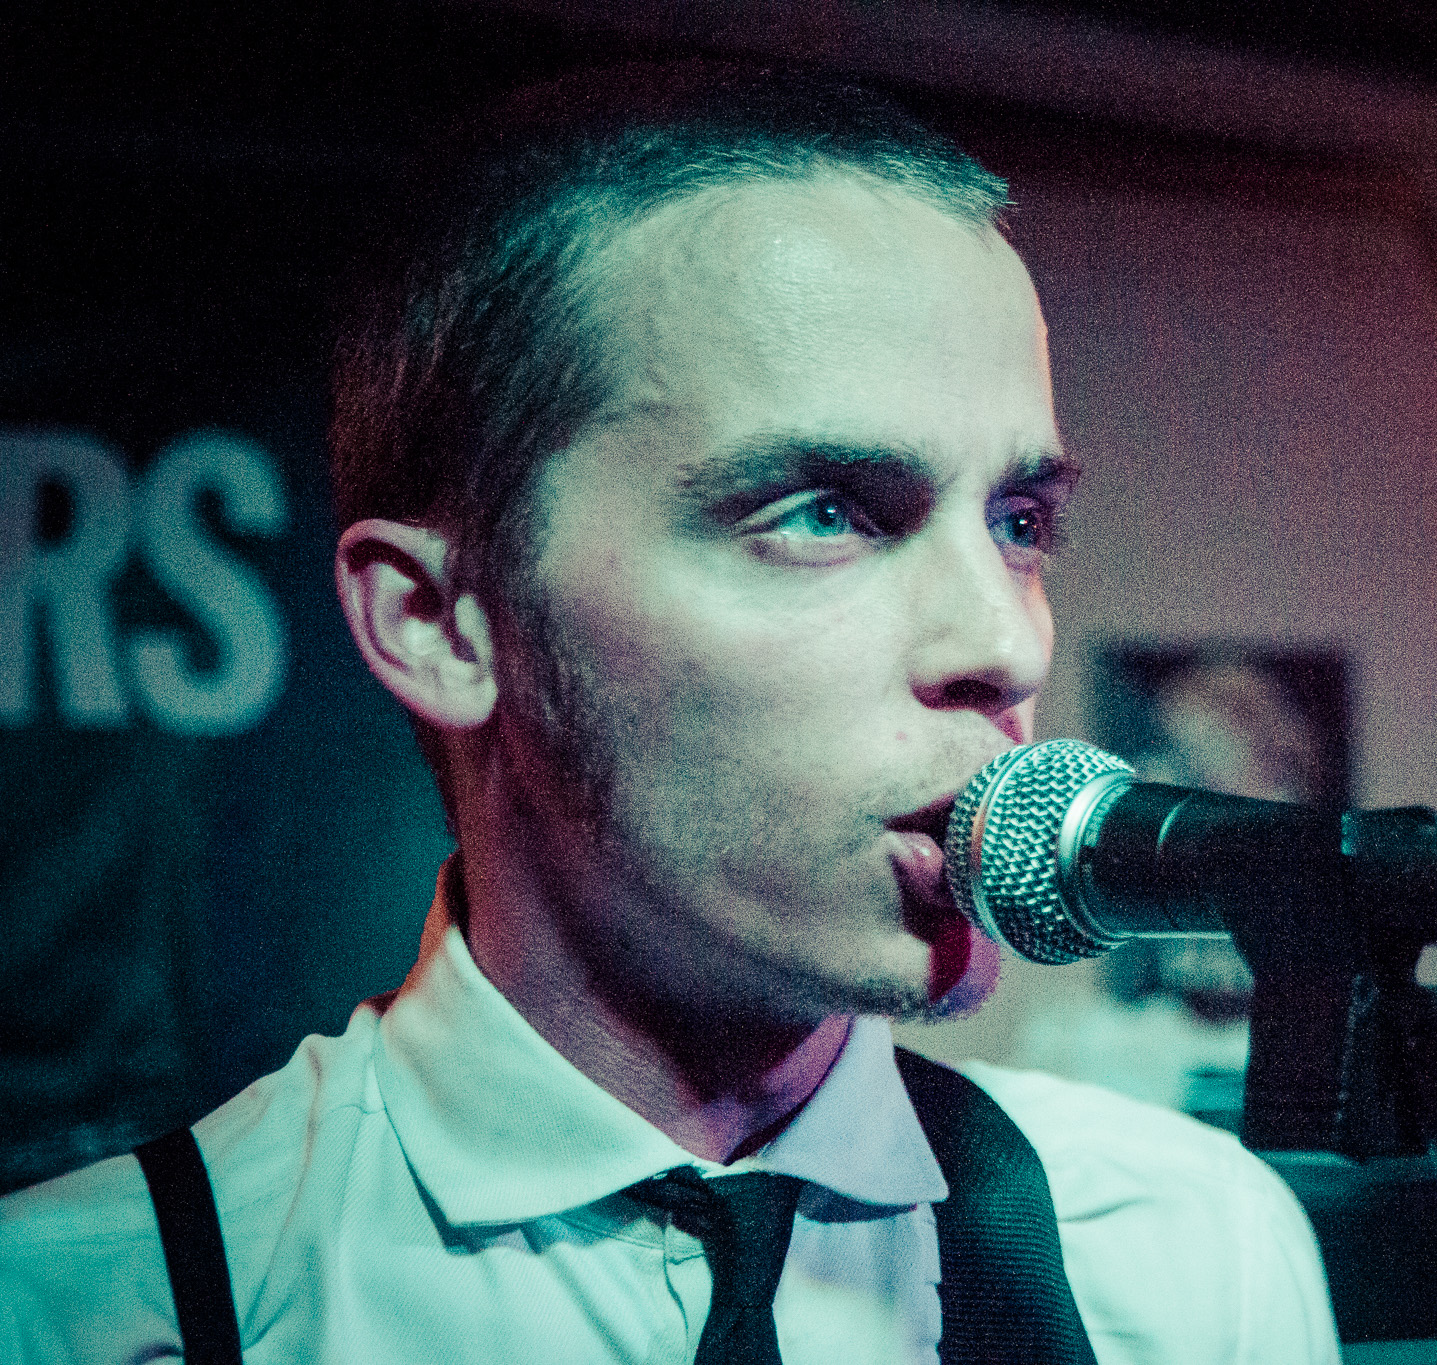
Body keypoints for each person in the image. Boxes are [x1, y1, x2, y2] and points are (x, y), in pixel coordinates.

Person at [0, 64, 1340, 1364]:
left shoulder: (1184, 1257)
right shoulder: (84, 1312)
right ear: (442, 623)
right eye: (823, 513)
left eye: (1021, 522)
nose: (1007, 643)